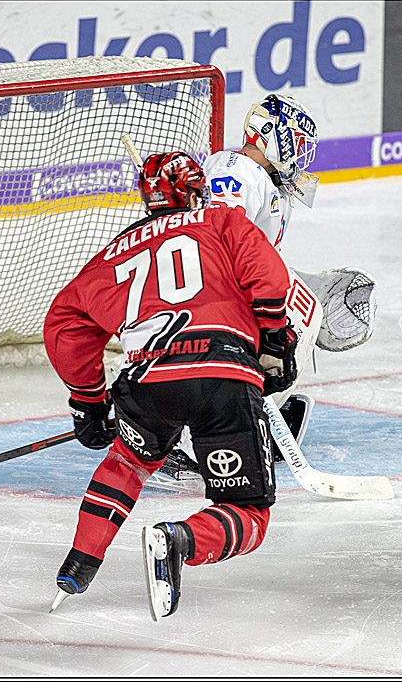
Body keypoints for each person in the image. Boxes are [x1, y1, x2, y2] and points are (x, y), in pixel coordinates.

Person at [43, 151, 297, 617]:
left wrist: (89, 401)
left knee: (127, 461)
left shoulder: (116, 251)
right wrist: (276, 342)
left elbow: (65, 323)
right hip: (220, 375)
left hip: (146, 381)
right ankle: (180, 540)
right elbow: (270, 278)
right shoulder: (221, 221)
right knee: (250, 514)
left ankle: (79, 563)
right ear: (199, 189)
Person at [198, 93, 378, 456]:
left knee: (309, 304)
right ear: (267, 133)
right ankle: (221, 426)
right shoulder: (236, 170)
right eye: (295, 141)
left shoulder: (268, 182)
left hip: (236, 285)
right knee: (300, 312)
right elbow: (217, 239)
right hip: (211, 290)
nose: (299, 153)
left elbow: (260, 254)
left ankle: (257, 414)